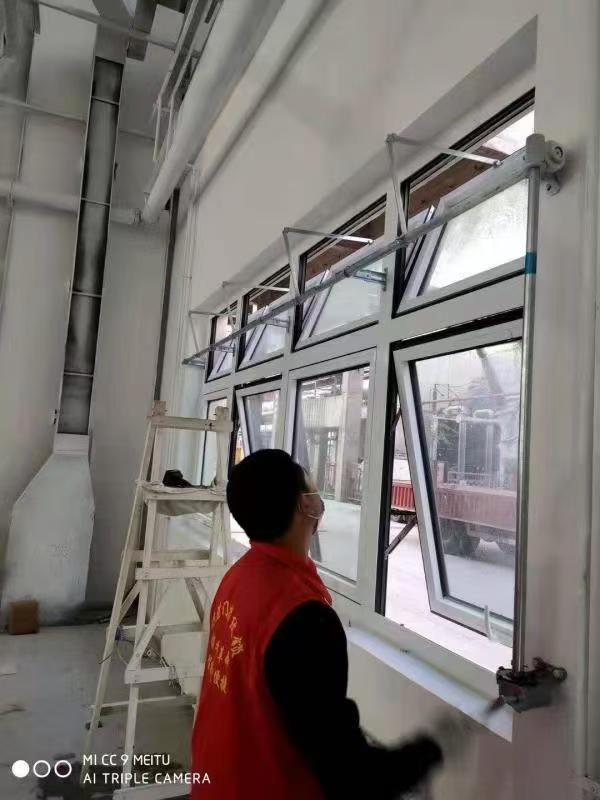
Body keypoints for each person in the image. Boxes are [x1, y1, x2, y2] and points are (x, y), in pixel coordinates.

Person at [191, 449, 474, 799]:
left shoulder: (238, 578)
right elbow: (348, 775)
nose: (318, 495)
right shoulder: (304, 619)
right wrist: (427, 752)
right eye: (311, 487)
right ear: (304, 505)